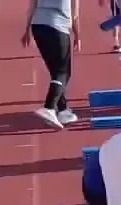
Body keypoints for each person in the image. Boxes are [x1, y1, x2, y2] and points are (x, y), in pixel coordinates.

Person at [22, 0, 81, 130]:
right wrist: (77, 34)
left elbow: (32, 6)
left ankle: (63, 110)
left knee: (55, 71)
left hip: (38, 26)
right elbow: (75, 13)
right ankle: (49, 107)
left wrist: (27, 29)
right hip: (58, 26)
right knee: (63, 73)